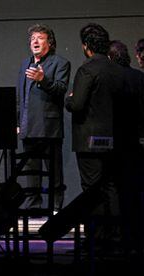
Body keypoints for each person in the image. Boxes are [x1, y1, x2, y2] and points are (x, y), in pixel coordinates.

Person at [65, 23, 124, 253]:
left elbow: (77, 104)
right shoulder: (117, 70)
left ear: (86, 46)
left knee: (92, 190)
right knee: (112, 188)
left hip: (90, 141)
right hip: (115, 139)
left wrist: (68, 99)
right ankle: (116, 236)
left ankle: (97, 238)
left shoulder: (87, 70)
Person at [17, 24, 70, 211]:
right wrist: (18, 121)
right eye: (32, 39)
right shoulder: (25, 63)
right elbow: (21, 94)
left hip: (49, 126)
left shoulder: (60, 63)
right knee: (31, 169)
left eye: (40, 38)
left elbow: (61, 89)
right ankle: (33, 206)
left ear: (50, 42)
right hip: (28, 125)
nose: (35, 42)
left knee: (54, 171)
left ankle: (56, 207)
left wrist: (43, 79)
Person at [108, 40, 144, 259]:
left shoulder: (114, 79)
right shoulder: (139, 77)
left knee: (122, 191)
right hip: (137, 141)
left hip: (120, 142)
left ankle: (122, 237)